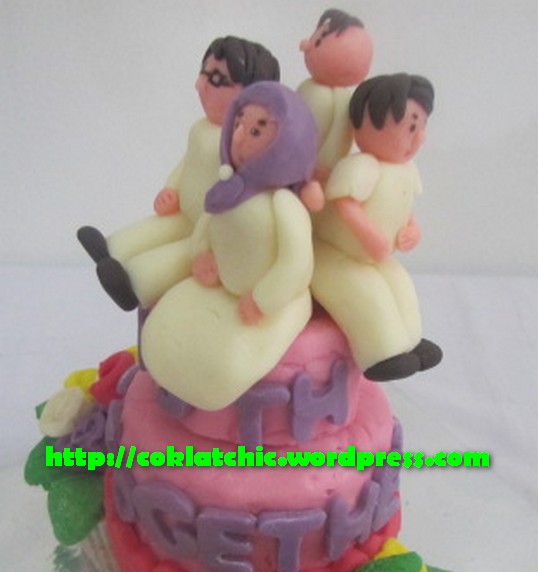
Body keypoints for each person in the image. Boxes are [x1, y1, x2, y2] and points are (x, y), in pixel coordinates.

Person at [141, 82, 318, 410]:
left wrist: (264, 299)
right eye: (238, 124)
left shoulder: (283, 204)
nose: (238, 136)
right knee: (163, 330)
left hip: (271, 303)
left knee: (223, 362)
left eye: (256, 130)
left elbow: (297, 263)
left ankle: (202, 400)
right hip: (218, 287)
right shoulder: (227, 189)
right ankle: (167, 387)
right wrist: (202, 254)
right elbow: (206, 225)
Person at [77, 37, 280, 311]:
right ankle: (112, 249)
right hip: (184, 210)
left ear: (253, 96)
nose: (199, 85)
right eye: (203, 74)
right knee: (154, 227)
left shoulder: (241, 146)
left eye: (216, 79)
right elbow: (187, 163)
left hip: (208, 228)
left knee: (177, 257)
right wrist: (171, 188)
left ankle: (134, 284)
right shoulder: (200, 128)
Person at [311, 73, 442, 380]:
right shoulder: (361, 166)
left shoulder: (406, 170)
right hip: (337, 255)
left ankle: (411, 340)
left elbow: (404, 206)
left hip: (376, 258)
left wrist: (412, 230)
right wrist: (370, 235)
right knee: (367, 295)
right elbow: (346, 204)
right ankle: (380, 353)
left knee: (400, 284)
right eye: (411, 127)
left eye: (422, 127)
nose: (419, 138)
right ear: (371, 120)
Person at [298, 8, 373, 182]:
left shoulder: (337, 100)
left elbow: (335, 140)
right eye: (314, 38)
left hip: (317, 172)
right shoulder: (308, 87)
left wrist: (321, 166)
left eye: (318, 42)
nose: (306, 45)